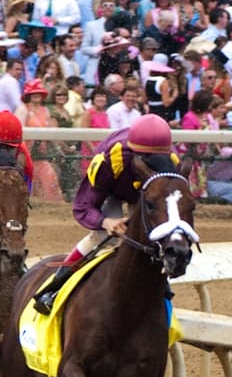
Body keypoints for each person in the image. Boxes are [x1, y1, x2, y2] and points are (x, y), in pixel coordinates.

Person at [32, 113, 181, 313]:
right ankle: (54, 287)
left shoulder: (171, 163)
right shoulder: (112, 159)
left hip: (145, 194)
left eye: (156, 160)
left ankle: (163, 293)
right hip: (112, 188)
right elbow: (84, 206)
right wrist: (105, 222)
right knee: (103, 237)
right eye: (145, 159)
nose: (150, 165)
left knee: (153, 236)